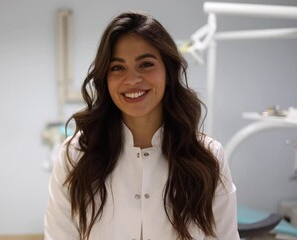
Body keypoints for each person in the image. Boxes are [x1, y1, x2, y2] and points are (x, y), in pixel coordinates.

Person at [44, 11, 239, 240]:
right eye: (117, 67)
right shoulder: (75, 156)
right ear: (105, 78)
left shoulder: (208, 157)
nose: (132, 79)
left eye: (146, 64)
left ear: (168, 72)